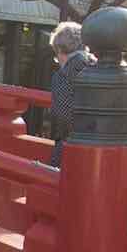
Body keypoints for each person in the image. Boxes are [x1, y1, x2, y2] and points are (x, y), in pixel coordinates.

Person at [46, 20, 88, 167]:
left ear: (60, 50)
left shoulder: (63, 75)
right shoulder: (98, 66)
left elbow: (63, 114)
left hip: (73, 146)